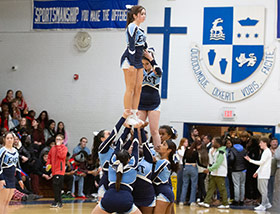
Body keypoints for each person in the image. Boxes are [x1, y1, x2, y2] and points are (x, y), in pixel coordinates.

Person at [91, 117, 141, 214]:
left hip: (115, 178)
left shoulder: (113, 151)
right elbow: (116, 136)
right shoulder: (102, 148)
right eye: (108, 134)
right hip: (107, 179)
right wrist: (126, 123)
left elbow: (122, 148)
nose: (111, 135)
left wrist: (128, 129)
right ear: (102, 139)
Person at [120, 5, 147, 125]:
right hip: (129, 60)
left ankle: (135, 114)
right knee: (130, 88)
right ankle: (127, 115)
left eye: (145, 14)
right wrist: (131, 63)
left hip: (138, 60)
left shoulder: (140, 29)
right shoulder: (131, 27)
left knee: (138, 88)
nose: (144, 16)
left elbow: (142, 47)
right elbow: (131, 45)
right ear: (135, 15)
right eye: (141, 14)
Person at [138, 48, 162, 151]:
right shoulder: (140, 70)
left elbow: (159, 71)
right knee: (138, 128)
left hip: (154, 103)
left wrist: (151, 58)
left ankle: (158, 152)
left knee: (154, 131)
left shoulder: (156, 70)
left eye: (147, 63)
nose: (145, 66)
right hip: (141, 103)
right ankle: (138, 149)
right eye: (143, 63)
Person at [198, 137, 229, 209]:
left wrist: (209, 169)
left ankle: (225, 204)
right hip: (214, 173)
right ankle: (206, 202)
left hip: (220, 173)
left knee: (222, 189)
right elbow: (212, 162)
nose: (212, 142)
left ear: (218, 144)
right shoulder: (215, 151)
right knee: (211, 188)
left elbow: (218, 164)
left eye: (213, 142)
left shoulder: (221, 152)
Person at [245, 137, 272, 211]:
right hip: (262, 173)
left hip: (264, 174)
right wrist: (257, 172)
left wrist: (250, 160)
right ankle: (267, 203)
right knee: (260, 189)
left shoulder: (267, 152)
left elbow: (261, 163)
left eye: (261, 143)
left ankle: (263, 205)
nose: (259, 144)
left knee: (263, 190)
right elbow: (262, 165)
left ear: (265, 143)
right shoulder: (265, 151)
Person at [132, 128, 156, 214]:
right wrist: (134, 129)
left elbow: (145, 144)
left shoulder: (148, 159)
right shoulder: (129, 160)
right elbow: (134, 143)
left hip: (147, 195)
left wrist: (141, 128)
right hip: (133, 194)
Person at [0, 132, 24, 214]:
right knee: (2, 202)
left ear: (14, 140)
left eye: (11, 138)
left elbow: (17, 167)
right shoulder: (2, 151)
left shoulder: (15, 151)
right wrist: (1, 178)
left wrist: (20, 179)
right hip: (4, 178)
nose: (9, 140)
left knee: (7, 202)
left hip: (12, 179)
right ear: (4, 140)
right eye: (8, 138)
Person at [46, 134, 68, 208]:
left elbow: (61, 156)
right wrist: (48, 164)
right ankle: (58, 201)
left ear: (62, 141)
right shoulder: (53, 148)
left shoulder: (64, 148)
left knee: (57, 186)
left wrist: (58, 147)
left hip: (60, 170)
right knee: (55, 186)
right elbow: (49, 157)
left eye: (59, 139)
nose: (57, 141)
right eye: (56, 139)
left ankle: (58, 201)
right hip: (54, 170)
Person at [179, 140, 199, 206]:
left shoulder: (187, 151)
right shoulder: (196, 152)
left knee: (185, 185)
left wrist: (185, 166)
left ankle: (182, 201)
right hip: (193, 167)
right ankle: (192, 201)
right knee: (193, 185)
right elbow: (198, 161)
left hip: (186, 167)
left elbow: (183, 159)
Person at [228, 137, 247, 206]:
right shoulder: (244, 150)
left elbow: (231, 159)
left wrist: (230, 165)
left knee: (236, 185)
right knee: (242, 185)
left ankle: (236, 200)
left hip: (235, 169)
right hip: (243, 170)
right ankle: (242, 200)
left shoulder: (232, 149)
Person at [176, 138, 188, 203]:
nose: (187, 143)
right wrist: (183, 148)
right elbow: (183, 155)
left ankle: (182, 198)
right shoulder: (179, 150)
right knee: (179, 182)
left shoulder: (187, 149)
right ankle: (178, 198)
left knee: (184, 182)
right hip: (180, 166)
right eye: (185, 142)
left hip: (185, 166)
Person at [268, 138, 279, 202]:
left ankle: (273, 202)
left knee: (274, 189)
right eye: (273, 142)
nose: (275, 143)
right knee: (267, 189)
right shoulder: (266, 151)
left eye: (276, 142)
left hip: (275, 173)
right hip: (267, 173)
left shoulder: (278, 151)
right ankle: (268, 202)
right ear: (270, 143)